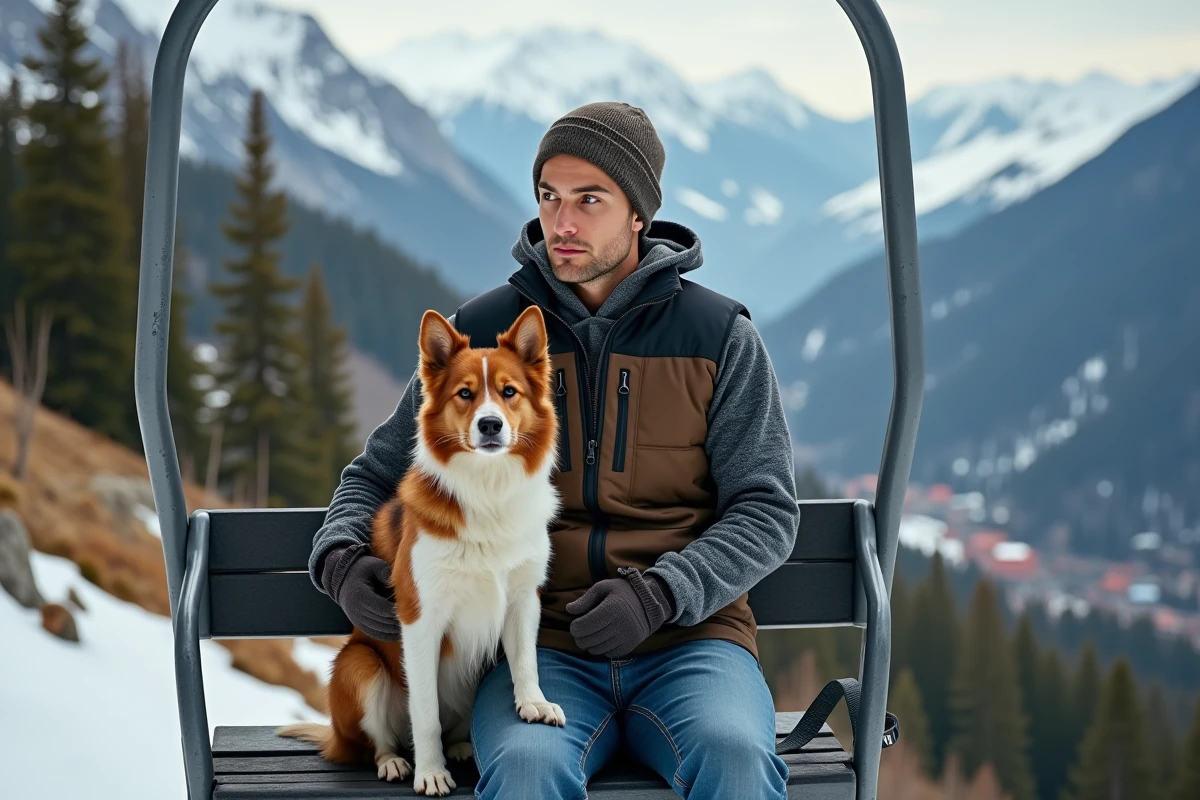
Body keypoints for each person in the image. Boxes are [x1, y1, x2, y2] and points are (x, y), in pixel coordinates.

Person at [309, 101, 800, 799]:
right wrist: (340, 559)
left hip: (691, 644)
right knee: (525, 771)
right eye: (549, 197)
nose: (561, 224)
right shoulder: (483, 333)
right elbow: (374, 475)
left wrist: (664, 593)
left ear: (639, 213)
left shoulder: (718, 339)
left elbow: (766, 510)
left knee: (736, 757)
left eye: (589, 200)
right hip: (539, 650)